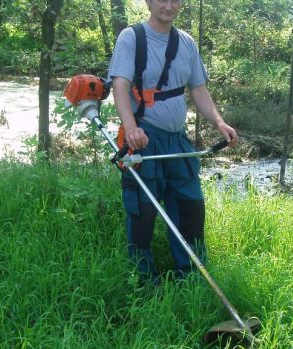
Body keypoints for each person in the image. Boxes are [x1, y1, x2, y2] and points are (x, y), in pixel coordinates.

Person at [108, 0, 237, 283]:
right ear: (148, 2)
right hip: (143, 139)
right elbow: (119, 86)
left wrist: (219, 122)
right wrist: (131, 128)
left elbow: (199, 89)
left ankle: (190, 275)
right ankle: (141, 278)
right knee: (141, 213)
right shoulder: (132, 38)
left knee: (190, 207)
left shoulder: (186, 43)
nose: (169, 5)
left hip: (178, 142)